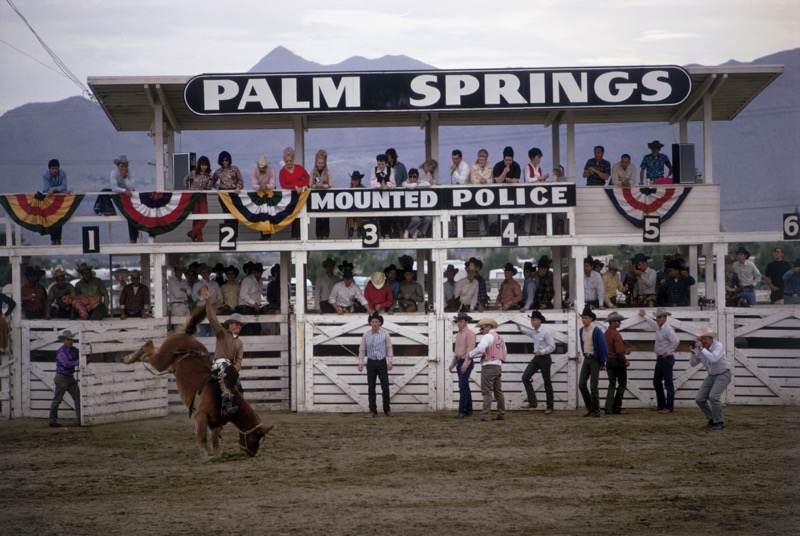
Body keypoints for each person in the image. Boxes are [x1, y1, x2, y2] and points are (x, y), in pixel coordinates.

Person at [199, 286, 245, 417]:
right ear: (229, 325)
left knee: (239, 387)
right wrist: (208, 302)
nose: (238, 326)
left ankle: (239, 408)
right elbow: (212, 319)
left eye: (240, 324)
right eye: (235, 323)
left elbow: (239, 360)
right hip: (219, 363)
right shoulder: (222, 333)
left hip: (231, 367)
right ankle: (226, 405)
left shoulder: (240, 343)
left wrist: (237, 366)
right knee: (229, 371)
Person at [638, 307, 680, 413]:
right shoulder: (659, 327)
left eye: (659, 317)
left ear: (665, 318)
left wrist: (668, 352)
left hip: (666, 358)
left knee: (668, 383)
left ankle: (668, 407)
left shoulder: (668, 329)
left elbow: (676, 341)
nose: (657, 319)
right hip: (661, 358)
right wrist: (645, 315)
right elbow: (652, 323)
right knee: (657, 382)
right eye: (657, 317)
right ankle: (662, 405)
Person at [690, 327, 731, 430]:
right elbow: (693, 363)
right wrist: (693, 353)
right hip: (711, 376)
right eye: (702, 339)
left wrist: (702, 349)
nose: (704, 341)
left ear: (712, 338)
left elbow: (713, 359)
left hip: (723, 374)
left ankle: (719, 422)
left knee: (713, 396)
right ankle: (712, 420)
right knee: (699, 399)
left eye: (706, 339)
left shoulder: (718, 346)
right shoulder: (702, 349)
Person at [516, 311, 556, 414]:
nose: (532, 322)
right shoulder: (534, 332)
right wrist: (520, 328)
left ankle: (550, 406)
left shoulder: (546, 332)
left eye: (534, 320)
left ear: (539, 321)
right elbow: (529, 333)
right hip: (537, 358)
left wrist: (541, 352)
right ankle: (533, 402)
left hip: (544, 358)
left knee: (547, 382)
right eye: (532, 320)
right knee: (525, 377)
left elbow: (552, 346)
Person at [469, 317, 507, 421]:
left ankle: (485, 414)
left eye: (482, 328)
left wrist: (470, 354)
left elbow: (481, 348)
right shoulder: (500, 337)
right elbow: (505, 352)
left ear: (488, 327)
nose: (481, 330)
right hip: (498, 366)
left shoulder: (487, 336)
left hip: (488, 366)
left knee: (487, 392)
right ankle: (502, 413)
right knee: (498, 391)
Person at [357, 312, 394, 417]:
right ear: (370, 323)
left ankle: (387, 409)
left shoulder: (385, 334)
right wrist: (360, 363)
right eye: (372, 322)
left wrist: (390, 361)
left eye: (376, 322)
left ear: (380, 323)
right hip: (371, 362)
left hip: (381, 361)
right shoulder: (366, 334)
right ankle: (373, 411)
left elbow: (389, 348)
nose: (374, 324)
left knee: (385, 386)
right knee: (371, 387)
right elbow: (362, 349)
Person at [578, 306, 608, 418]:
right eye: (583, 318)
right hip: (587, 358)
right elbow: (583, 344)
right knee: (581, 384)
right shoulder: (581, 330)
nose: (584, 320)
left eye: (586, 318)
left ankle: (595, 411)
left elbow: (602, 347)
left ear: (591, 319)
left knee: (593, 386)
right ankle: (590, 408)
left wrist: (602, 362)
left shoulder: (596, 331)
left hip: (594, 359)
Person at [49, 329, 81, 428]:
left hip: (69, 378)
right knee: (57, 400)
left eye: (71, 339)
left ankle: (81, 420)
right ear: (64, 340)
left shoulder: (74, 350)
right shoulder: (61, 351)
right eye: (68, 340)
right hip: (62, 378)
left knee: (78, 398)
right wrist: (78, 361)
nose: (70, 341)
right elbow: (66, 364)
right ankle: (52, 421)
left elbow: (81, 354)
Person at [449, 312, 476, 419]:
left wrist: (465, 364)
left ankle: (462, 411)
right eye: (458, 321)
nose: (459, 323)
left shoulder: (470, 334)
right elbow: (457, 351)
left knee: (462, 386)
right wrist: (453, 363)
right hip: (460, 360)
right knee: (464, 386)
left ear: (466, 322)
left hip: (466, 361)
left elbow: (470, 350)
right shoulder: (459, 334)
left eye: (461, 321)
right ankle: (468, 410)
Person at [604, 311, 631, 415]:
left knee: (611, 384)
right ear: (614, 322)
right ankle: (616, 407)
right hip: (618, 362)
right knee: (622, 384)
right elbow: (619, 351)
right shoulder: (616, 334)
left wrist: (623, 351)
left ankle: (608, 407)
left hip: (609, 361)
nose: (620, 323)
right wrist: (625, 360)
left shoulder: (606, 333)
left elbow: (611, 349)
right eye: (619, 321)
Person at [184, 155, 215, 242]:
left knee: (205, 216)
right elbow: (185, 180)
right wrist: (188, 191)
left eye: (205, 165)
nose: (204, 167)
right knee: (196, 217)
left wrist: (211, 178)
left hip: (202, 196)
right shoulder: (194, 173)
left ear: (208, 165)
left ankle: (193, 232)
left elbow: (209, 188)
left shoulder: (209, 174)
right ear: (199, 165)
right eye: (202, 165)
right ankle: (199, 238)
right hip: (193, 196)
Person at [110, 155, 140, 243]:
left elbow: (131, 187)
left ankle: (133, 238)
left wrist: (125, 178)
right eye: (122, 166)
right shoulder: (114, 173)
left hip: (129, 195)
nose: (124, 168)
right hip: (119, 193)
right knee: (103, 192)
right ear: (118, 166)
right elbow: (114, 188)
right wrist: (123, 190)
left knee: (131, 215)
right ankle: (109, 210)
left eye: (126, 166)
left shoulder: (131, 172)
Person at [42, 158, 71, 245]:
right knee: (51, 218)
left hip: (59, 199)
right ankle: (53, 239)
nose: (54, 170)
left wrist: (54, 189)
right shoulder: (45, 175)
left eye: (56, 168)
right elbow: (46, 189)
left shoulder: (63, 174)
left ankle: (58, 239)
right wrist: (59, 189)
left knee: (59, 217)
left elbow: (64, 186)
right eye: (53, 168)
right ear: (49, 169)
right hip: (49, 200)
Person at [522, 147, 550, 235]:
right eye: (538, 157)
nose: (539, 159)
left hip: (537, 192)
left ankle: (533, 231)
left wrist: (543, 179)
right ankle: (527, 231)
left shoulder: (539, 168)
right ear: (532, 157)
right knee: (529, 212)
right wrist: (538, 178)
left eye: (540, 157)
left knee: (535, 213)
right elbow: (527, 179)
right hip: (529, 191)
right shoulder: (527, 167)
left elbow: (539, 180)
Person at [250, 154, 277, 240]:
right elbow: (253, 184)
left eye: (263, 167)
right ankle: (262, 235)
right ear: (258, 166)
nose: (261, 169)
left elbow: (273, 184)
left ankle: (268, 235)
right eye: (260, 167)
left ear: (266, 167)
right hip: (260, 193)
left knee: (269, 213)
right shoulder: (254, 171)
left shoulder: (271, 170)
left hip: (270, 194)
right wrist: (260, 187)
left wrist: (266, 186)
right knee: (260, 214)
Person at [370, 153, 396, 238]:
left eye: (382, 164)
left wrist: (387, 186)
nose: (380, 166)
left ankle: (387, 232)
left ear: (386, 163)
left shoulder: (390, 170)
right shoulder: (374, 170)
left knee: (387, 213)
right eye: (379, 164)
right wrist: (379, 186)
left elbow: (393, 184)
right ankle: (380, 232)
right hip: (377, 195)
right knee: (379, 214)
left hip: (387, 195)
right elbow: (372, 184)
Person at [469, 149, 493, 236]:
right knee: (479, 212)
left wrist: (486, 181)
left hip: (488, 192)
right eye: (480, 160)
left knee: (486, 212)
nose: (482, 161)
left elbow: (492, 179)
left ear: (486, 159)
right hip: (477, 192)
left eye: (483, 160)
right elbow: (472, 179)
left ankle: (487, 230)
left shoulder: (491, 166)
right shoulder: (473, 167)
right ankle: (482, 231)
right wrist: (479, 181)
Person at [309, 149, 333, 239]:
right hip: (316, 197)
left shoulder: (328, 172)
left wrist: (323, 185)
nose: (320, 165)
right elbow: (310, 184)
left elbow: (330, 185)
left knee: (326, 216)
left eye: (322, 163)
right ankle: (318, 234)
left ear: (325, 163)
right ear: (316, 163)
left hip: (326, 196)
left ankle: (326, 234)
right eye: (319, 163)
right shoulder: (313, 172)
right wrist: (315, 186)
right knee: (318, 216)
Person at [402, 168, 432, 238]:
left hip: (421, 208)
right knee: (416, 219)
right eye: (410, 176)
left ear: (417, 177)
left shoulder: (420, 181)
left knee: (428, 218)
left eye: (414, 176)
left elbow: (428, 184)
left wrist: (418, 185)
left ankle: (418, 232)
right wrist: (415, 185)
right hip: (410, 208)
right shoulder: (406, 182)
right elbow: (405, 185)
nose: (412, 178)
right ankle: (408, 231)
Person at [346, 171, 366, 238]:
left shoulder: (364, 189)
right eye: (353, 180)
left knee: (359, 213)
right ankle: (351, 228)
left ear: (359, 180)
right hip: (351, 210)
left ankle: (359, 228)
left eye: (356, 180)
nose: (354, 182)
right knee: (349, 214)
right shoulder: (349, 190)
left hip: (361, 210)